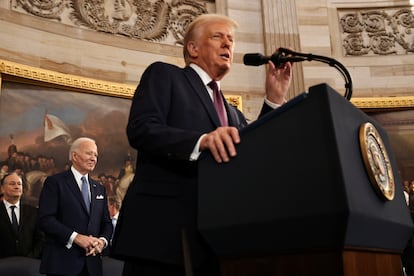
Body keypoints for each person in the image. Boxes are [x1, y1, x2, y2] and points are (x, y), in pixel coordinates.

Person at [111, 13, 292, 276]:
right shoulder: (165, 75)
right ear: (192, 49)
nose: (227, 44)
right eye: (217, 37)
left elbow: (252, 152)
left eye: (230, 40)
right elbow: (141, 129)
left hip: (214, 242)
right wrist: (201, 141)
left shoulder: (232, 113)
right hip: (163, 236)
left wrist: (274, 99)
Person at [38, 137, 113, 276]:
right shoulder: (55, 183)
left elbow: (107, 223)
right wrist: (76, 237)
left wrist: (102, 242)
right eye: (89, 153)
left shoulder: (99, 188)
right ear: (74, 156)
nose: (93, 158)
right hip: (62, 264)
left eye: (96, 155)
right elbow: (45, 220)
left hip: (92, 265)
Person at [0, 172, 44, 258]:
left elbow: (41, 239)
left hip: (28, 265)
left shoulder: (33, 212)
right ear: (2, 189)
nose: (16, 187)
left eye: (19, 184)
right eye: (12, 184)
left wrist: (29, 258)